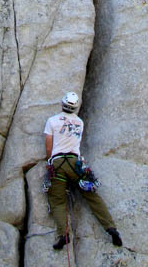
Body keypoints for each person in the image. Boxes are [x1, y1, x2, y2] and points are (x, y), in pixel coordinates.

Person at [44, 91, 123, 251]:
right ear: (75, 107)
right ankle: (111, 228)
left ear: (62, 104)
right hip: (76, 164)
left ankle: (63, 235)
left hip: (58, 163)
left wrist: (50, 162)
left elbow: (48, 145)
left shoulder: (52, 121)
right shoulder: (80, 122)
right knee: (92, 196)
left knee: (57, 200)